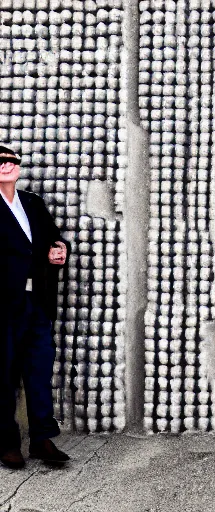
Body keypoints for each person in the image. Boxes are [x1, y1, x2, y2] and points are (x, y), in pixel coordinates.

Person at [0, 143, 71, 468]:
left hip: (35, 301)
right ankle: (7, 443)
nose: (6, 164)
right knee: (3, 376)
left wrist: (58, 253)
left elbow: (52, 240)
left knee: (39, 371)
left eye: (11, 160)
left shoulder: (32, 203)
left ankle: (42, 439)